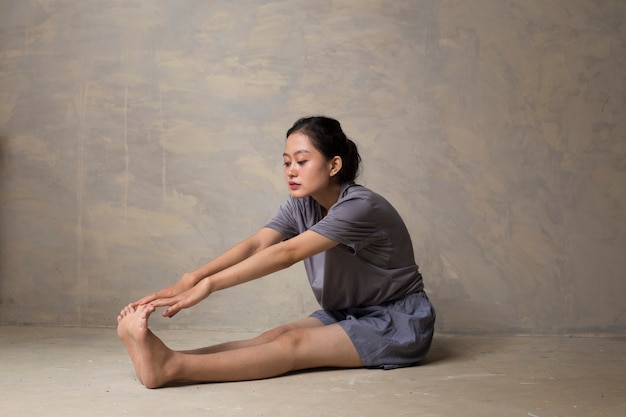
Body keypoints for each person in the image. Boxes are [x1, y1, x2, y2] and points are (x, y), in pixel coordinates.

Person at [117, 116, 436, 388]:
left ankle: (170, 368)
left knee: (291, 345)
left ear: (334, 164)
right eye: (286, 163)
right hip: (348, 312)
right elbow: (257, 244)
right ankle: (164, 357)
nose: (291, 171)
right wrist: (193, 276)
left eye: (301, 161)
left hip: (396, 319)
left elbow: (286, 253)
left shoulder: (360, 207)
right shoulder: (302, 204)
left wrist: (209, 286)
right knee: (273, 336)